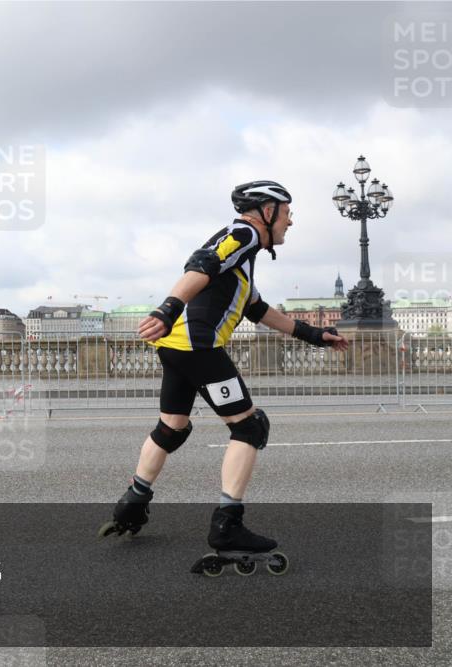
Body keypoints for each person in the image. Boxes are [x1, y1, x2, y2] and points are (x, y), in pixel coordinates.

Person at [98, 180, 350, 556]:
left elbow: (260, 311)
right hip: (198, 346)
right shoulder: (244, 232)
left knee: (172, 429)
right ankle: (227, 526)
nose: (290, 222)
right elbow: (202, 263)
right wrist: (167, 308)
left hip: (177, 349)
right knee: (249, 427)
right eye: (287, 213)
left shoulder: (243, 268)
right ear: (267, 211)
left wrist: (314, 335)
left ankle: (131, 505)